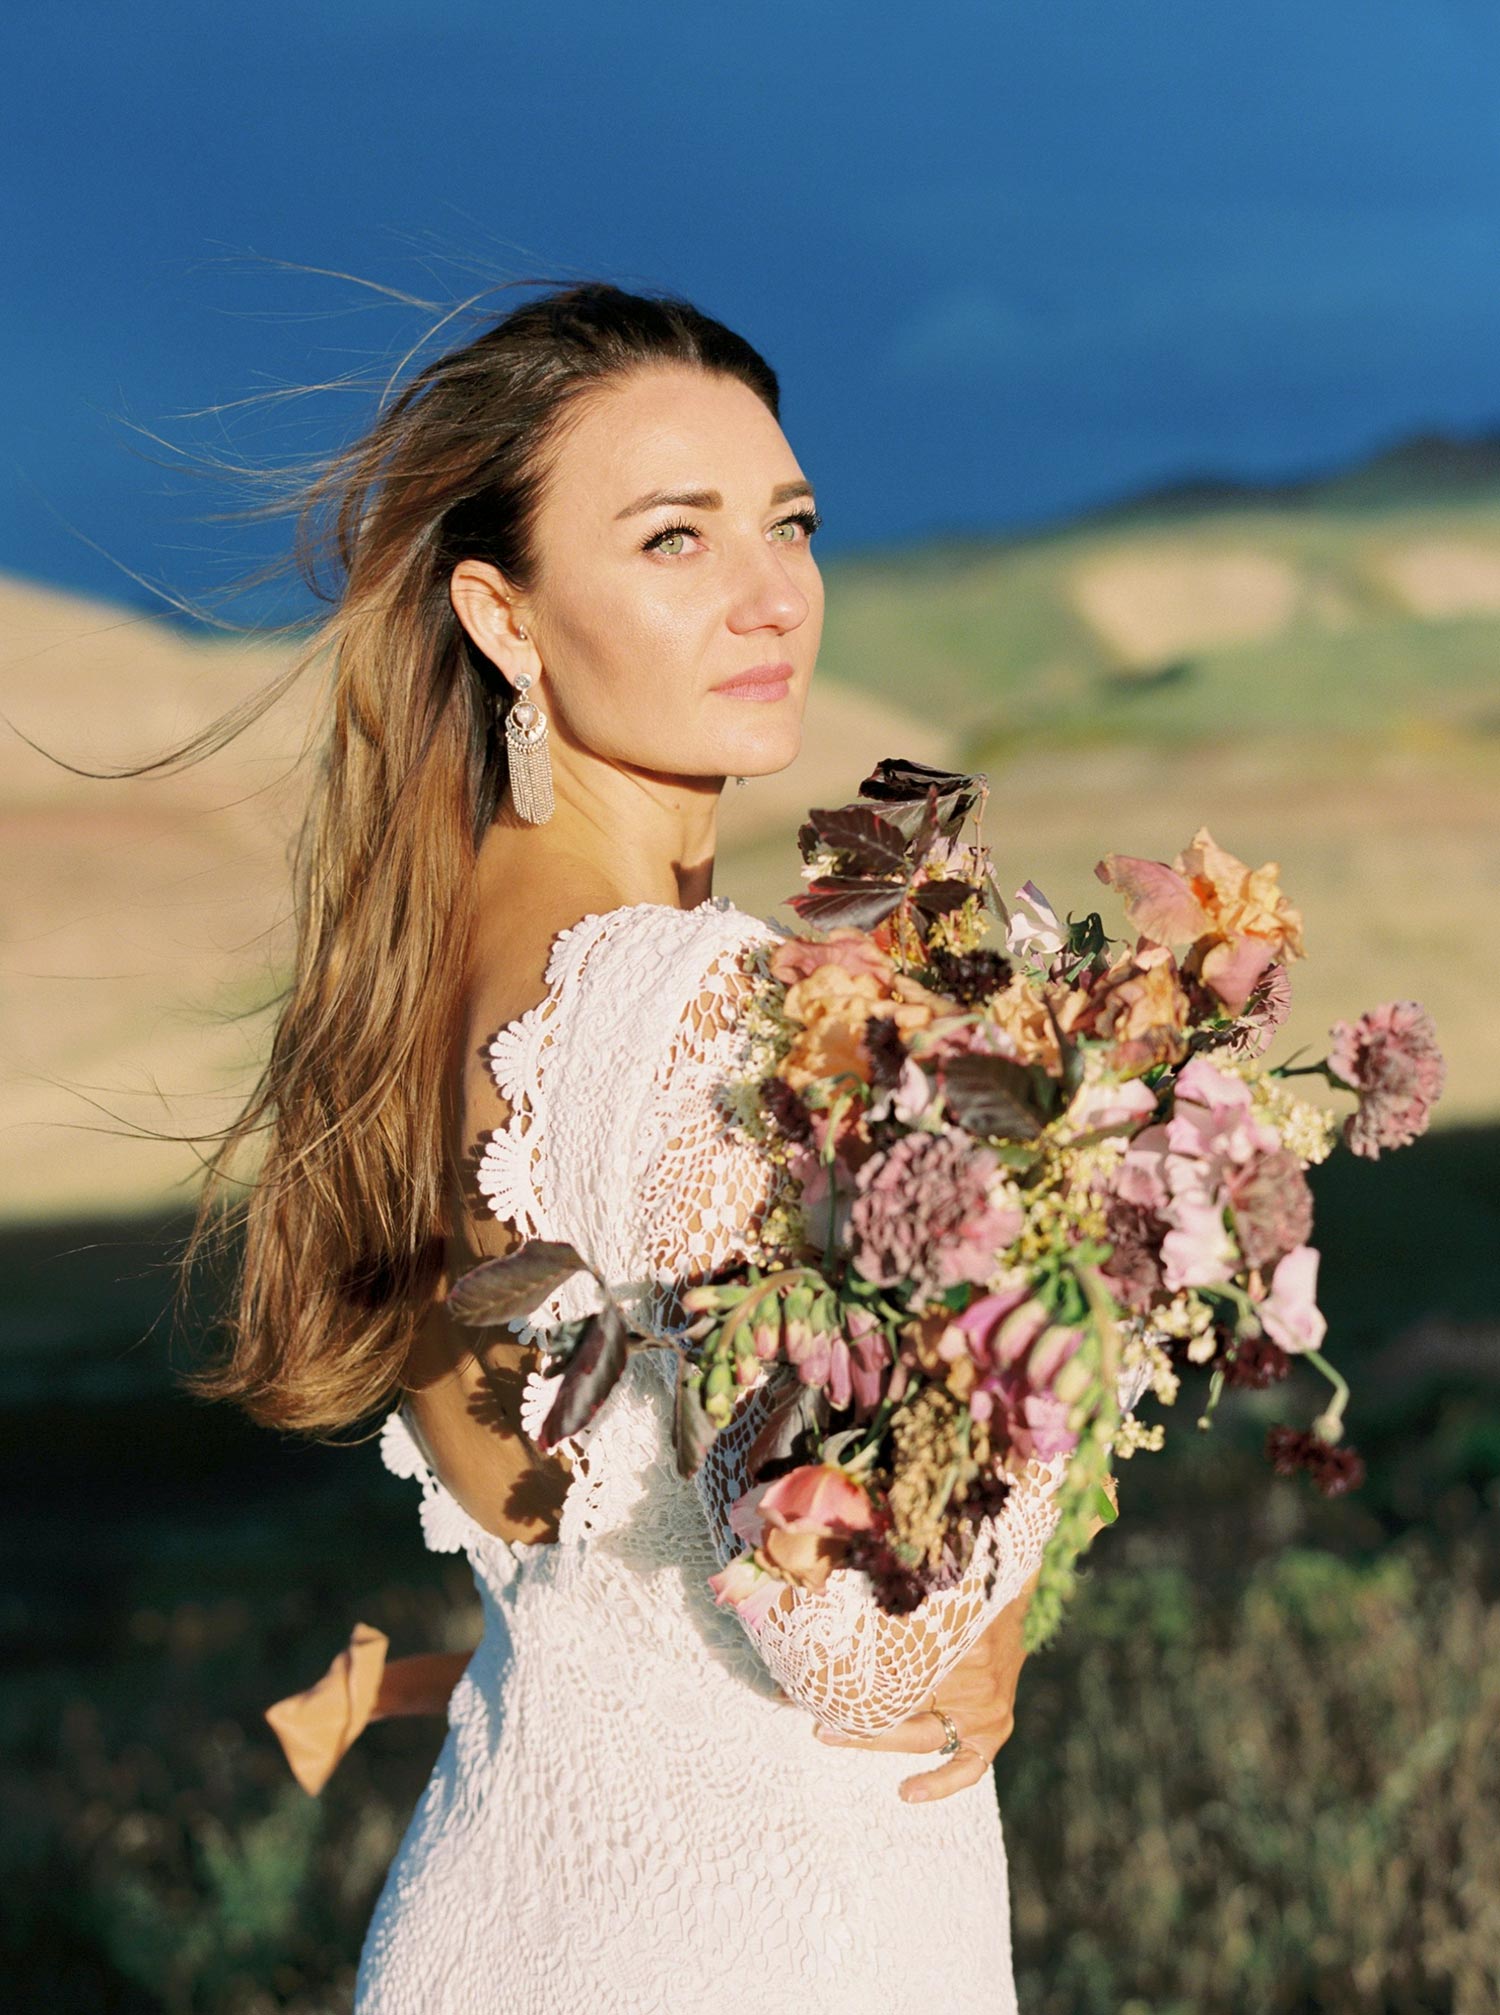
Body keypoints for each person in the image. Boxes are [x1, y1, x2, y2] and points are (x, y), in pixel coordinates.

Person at [193, 280, 1126, 2014]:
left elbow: (605, 1564)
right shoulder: (707, 1010)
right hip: (768, 1944)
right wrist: (1047, 1395)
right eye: (674, 541)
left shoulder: (408, 981)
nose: (775, 595)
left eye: (791, 522)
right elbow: (855, 1642)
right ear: (505, 613)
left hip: (501, 1915)